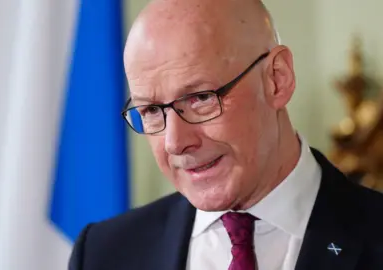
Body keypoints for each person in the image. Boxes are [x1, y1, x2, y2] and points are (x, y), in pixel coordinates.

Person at [69, 0, 383, 269]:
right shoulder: (103, 254)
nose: (175, 142)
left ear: (277, 79)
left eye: (200, 98)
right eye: (151, 110)